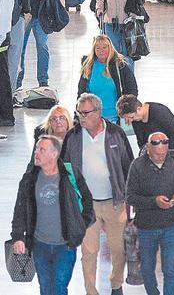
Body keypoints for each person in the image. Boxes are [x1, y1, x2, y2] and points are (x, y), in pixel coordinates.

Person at [60, 93, 134, 295]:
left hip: (114, 202)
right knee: (89, 251)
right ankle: (91, 291)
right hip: (87, 205)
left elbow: (129, 165)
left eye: (85, 113)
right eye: (79, 113)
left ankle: (116, 284)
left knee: (118, 249)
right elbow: (64, 168)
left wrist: (130, 199)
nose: (81, 117)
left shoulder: (116, 134)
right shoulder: (73, 136)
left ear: (98, 112)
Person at [10, 135, 96, 295]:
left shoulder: (70, 175)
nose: (36, 152)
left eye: (41, 149)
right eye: (36, 148)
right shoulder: (29, 179)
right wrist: (18, 237)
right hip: (39, 245)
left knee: (58, 287)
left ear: (54, 154)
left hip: (65, 246)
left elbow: (88, 202)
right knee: (45, 288)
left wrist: (79, 227)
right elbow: (20, 210)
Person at [127, 131, 174, 295]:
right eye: (157, 154)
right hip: (146, 227)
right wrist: (154, 201)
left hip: (172, 225)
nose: (160, 157)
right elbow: (130, 196)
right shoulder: (137, 166)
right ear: (148, 148)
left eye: (163, 154)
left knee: (169, 268)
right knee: (147, 269)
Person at [18, 0, 56, 89]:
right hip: (23, 18)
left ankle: (43, 81)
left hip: (40, 17)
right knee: (20, 49)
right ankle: (18, 81)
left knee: (43, 47)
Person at [76, 35, 137, 127]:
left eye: (104, 47)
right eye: (98, 48)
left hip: (116, 118)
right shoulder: (88, 67)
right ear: (94, 50)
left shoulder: (121, 66)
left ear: (110, 48)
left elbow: (132, 90)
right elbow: (81, 93)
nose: (101, 50)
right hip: (93, 118)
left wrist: (128, 110)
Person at [116, 96, 174, 164]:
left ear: (138, 109)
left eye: (131, 117)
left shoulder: (160, 113)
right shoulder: (136, 120)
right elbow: (141, 143)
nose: (130, 121)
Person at [4, 0, 33, 91]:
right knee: (14, 59)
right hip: (17, 22)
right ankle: (11, 90)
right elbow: (27, 8)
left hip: (2, 23)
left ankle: (0, 91)